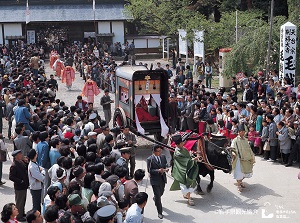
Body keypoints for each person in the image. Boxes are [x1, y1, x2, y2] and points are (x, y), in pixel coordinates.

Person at [170, 134, 199, 206]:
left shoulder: (184, 149)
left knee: (190, 183)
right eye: (182, 142)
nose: (183, 143)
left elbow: (188, 155)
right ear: (178, 144)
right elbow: (185, 161)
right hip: (182, 171)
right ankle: (189, 199)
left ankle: (186, 195)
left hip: (188, 169)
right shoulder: (177, 153)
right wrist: (193, 160)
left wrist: (193, 154)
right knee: (187, 184)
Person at [231, 124, 255, 192]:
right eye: (242, 131)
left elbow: (249, 148)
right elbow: (232, 147)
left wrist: (252, 155)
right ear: (239, 132)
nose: (243, 132)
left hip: (246, 158)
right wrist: (233, 153)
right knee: (239, 172)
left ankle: (240, 182)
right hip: (239, 159)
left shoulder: (245, 139)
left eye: (244, 131)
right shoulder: (235, 140)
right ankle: (239, 185)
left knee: (245, 172)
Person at [146, 145, 169, 219]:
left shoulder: (163, 157)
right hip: (155, 180)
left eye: (160, 151)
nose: (160, 152)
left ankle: (155, 198)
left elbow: (165, 165)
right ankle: (160, 212)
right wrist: (157, 171)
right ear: (154, 152)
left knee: (161, 192)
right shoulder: (150, 159)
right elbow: (149, 170)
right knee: (158, 197)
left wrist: (166, 169)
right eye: (158, 151)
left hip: (162, 179)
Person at [9, 150, 29, 222]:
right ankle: (18, 216)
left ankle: (22, 213)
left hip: (24, 186)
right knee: (19, 202)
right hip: (19, 186)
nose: (22, 155)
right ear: (17, 156)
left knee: (23, 200)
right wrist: (20, 181)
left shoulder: (21, 162)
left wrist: (26, 163)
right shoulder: (14, 165)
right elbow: (11, 177)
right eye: (20, 154)